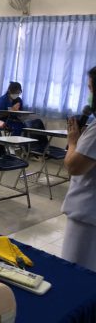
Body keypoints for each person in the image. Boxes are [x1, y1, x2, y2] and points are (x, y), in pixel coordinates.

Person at [61, 66, 96, 272]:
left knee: (75, 271)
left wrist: (73, 141)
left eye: (91, 88)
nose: (89, 95)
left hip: (88, 213)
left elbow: (74, 166)